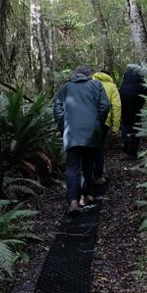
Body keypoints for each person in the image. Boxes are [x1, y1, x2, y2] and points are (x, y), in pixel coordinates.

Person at [54, 65, 111, 215]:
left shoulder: (65, 88)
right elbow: (105, 105)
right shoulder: (96, 85)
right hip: (92, 133)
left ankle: (73, 200)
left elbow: (58, 110)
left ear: (75, 75)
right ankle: (87, 195)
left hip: (71, 133)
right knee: (88, 165)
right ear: (88, 75)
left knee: (72, 167)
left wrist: (64, 127)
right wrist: (97, 122)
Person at [92, 70, 122, 185]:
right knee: (99, 148)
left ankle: (87, 175)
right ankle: (98, 175)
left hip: (89, 120)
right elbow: (116, 106)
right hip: (105, 122)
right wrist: (115, 127)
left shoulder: (91, 83)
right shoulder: (112, 86)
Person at [118, 67, 147, 159]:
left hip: (123, 95)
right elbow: (145, 90)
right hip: (136, 98)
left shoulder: (127, 73)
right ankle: (132, 152)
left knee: (125, 122)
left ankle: (124, 142)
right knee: (136, 125)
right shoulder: (140, 74)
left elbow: (123, 84)